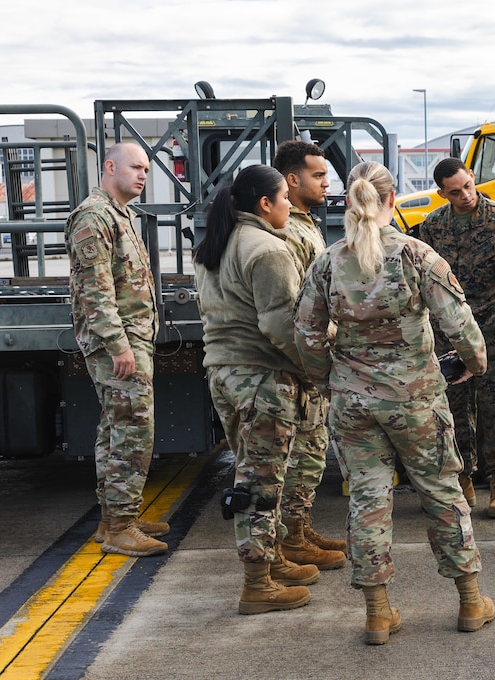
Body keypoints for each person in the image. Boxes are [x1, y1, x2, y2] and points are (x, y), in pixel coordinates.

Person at [294, 161, 495, 644]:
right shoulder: (416, 256)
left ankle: (377, 614)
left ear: (351, 203)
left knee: (368, 499)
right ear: (390, 201)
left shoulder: (328, 262)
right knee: (441, 491)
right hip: (416, 400)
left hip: (354, 404)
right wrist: (476, 363)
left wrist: (328, 379)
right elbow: (460, 324)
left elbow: (305, 334)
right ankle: (470, 602)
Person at [194, 164, 319, 615]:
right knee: (261, 483)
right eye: (284, 197)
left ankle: (273, 559)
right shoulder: (268, 249)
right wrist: (317, 369)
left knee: (254, 473)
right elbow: (281, 325)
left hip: (225, 374)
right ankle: (257, 585)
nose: (289, 204)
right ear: (264, 204)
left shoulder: (216, 244)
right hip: (261, 378)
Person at [66, 142, 170, 558]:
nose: (143, 175)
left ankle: (114, 518)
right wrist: (119, 345)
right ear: (109, 167)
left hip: (127, 339)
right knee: (132, 429)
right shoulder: (94, 216)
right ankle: (121, 527)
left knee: (115, 428)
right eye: (135, 167)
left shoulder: (117, 214)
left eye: (146, 169)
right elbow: (95, 293)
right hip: (118, 344)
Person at [417, 158, 495, 519]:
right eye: (455, 191)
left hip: (494, 326)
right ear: (442, 194)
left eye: (468, 186)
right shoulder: (433, 226)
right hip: (448, 329)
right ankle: (463, 477)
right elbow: (420, 275)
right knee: (453, 407)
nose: (466, 195)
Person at [269, 141, 347, 571]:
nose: (327, 181)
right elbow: (300, 305)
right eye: (319, 175)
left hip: (313, 352)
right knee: (303, 449)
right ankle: (292, 537)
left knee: (312, 446)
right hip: (302, 358)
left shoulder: (304, 223)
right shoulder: (289, 230)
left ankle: (298, 528)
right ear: (292, 180)